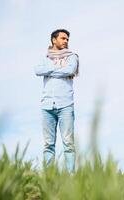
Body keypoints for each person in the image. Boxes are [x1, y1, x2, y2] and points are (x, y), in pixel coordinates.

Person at [34, 29, 79, 173]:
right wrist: (58, 68)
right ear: (54, 40)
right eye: (63, 38)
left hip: (66, 105)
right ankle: (49, 177)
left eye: (67, 39)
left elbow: (70, 70)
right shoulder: (46, 58)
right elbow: (37, 70)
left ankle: (71, 177)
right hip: (47, 105)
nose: (66, 41)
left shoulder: (72, 57)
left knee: (69, 144)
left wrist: (50, 70)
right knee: (48, 144)